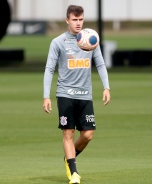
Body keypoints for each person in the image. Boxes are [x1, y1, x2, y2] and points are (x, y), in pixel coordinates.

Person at [43, 5, 111, 184]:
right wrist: (46, 96)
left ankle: (69, 157)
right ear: (67, 20)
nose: (78, 23)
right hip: (65, 93)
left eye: (81, 19)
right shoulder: (58, 42)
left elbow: (101, 65)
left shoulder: (91, 40)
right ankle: (73, 172)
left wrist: (106, 87)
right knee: (68, 132)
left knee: (88, 134)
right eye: (74, 19)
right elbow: (49, 69)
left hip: (85, 94)